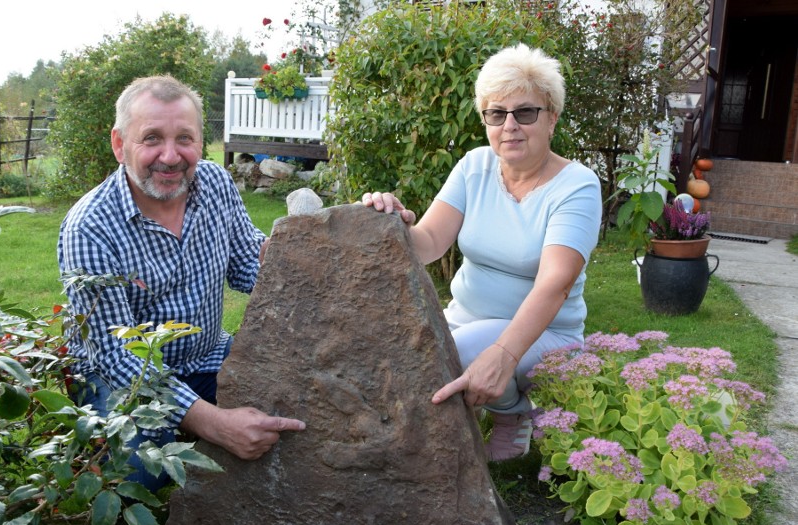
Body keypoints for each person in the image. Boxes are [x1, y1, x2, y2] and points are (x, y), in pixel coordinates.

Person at [58, 75, 305, 490]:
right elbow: (118, 360)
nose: (170, 157)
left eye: (184, 139)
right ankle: (174, 432)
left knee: (290, 407)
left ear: (200, 143)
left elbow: (248, 266)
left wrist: (322, 240)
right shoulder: (90, 228)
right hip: (122, 383)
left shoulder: (215, 184)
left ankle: (193, 424)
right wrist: (213, 424)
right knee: (140, 476)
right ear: (120, 145)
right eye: (151, 138)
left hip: (207, 356)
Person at [363, 44, 601, 461]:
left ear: (552, 118)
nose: (510, 125)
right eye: (496, 113)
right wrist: (393, 224)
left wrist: (503, 355)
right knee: (408, 356)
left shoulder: (576, 186)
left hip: (546, 336)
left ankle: (513, 411)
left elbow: (555, 284)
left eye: (525, 112)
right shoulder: (475, 166)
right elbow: (429, 243)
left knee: (447, 356)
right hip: (463, 322)